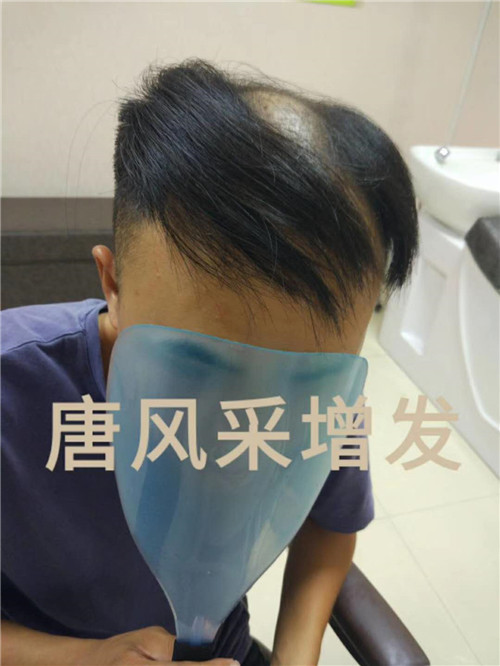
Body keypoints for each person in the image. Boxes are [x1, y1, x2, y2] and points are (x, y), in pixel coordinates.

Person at [1, 58, 419, 666]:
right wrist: (85, 657)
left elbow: (330, 525)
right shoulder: (14, 389)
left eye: (303, 383)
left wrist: (295, 656)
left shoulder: (326, 401)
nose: (246, 418)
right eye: (198, 371)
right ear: (113, 283)